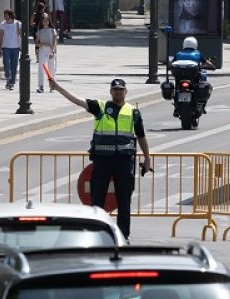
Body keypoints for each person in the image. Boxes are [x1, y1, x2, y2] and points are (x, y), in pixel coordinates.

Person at [49, 76, 153, 241]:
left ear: (125, 92)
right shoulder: (101, 107)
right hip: (102, 161)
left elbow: (141, 136)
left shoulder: (133, 111)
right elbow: (77, 100)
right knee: (97, 200)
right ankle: (96, 234)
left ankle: (123, 236)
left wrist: (147, 159)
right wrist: (58, 87)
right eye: (115, 90)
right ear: (110, 91)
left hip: (124, 162)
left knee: (124, 202)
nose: (118, 92)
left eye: (120, 90)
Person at [170, 36, 216, 114]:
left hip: (180, 77)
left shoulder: (178, 53)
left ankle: (176, 105)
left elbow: (171, 63)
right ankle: (201, 104)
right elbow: (207, 63)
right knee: (201, 82)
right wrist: (212, 66)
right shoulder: (197, 53)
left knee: (177, 88)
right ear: (195, 44)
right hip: (193, 77)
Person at [0, 10, 22, 91]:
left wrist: (21, 46)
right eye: (4, 15)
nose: (4, 16)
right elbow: (1, 37)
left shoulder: (17, 23)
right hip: (6, 47)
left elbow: (21, 35)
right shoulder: (2, 24)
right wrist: (0, 48)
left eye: (6, 15)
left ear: (10, 15)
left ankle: (11, 83)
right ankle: (8, 76)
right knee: (6, 64)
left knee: (14, 65)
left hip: (15, 47)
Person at [34, 12, 58, 93]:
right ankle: (41, 86)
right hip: (42, 50)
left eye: (46, 20)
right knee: (41, 67)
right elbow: (36, 42)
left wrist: (53, 51)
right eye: (43, 20)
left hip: (51, 51)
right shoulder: (39, 31)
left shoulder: (52, 30)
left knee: (51, 69)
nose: (45, 22)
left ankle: (52, 86)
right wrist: (39, 46)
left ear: (49, 21)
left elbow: (55, 42)